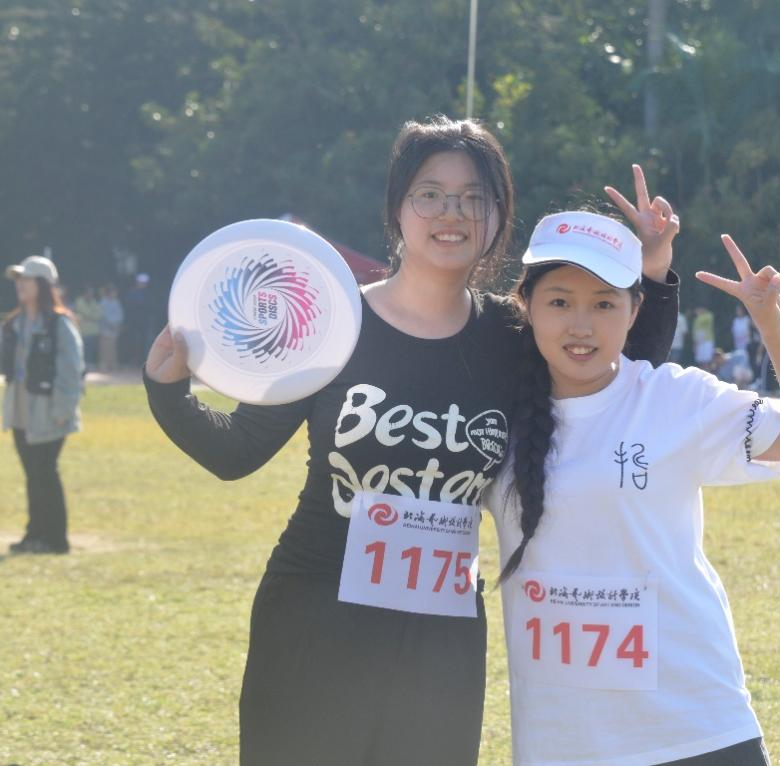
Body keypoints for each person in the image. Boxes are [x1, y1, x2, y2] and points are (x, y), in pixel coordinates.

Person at [142, 116, 680, 766]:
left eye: (473, 197)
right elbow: (235, 452)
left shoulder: (511, 340)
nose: (451, 213)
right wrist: (168, 390)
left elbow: (615, 368)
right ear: (397, 208)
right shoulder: (335, 323)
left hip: (440, 640)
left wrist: (653, 271)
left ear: (498, 216)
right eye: (430, 194)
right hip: (314, 620)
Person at [489, 211, 780, 766]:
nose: (581, 325)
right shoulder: (495, 417)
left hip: (693, 728)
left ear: (635, 311)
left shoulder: (677, 398)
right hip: (562, 740)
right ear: (526, 306)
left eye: (604, 304)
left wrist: (773, 326)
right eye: (559, 302)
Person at [2, 256, 84, 555]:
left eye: (27, 279)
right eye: (19, 280)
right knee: (33, 475)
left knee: (45, 473)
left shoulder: (59, 323)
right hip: (21, 413)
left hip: (49, 414)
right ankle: (34, 534)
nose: (20, 285)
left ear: (43, 285)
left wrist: (62, 411)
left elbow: (71, 371)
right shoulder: (15, 323)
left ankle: (55, 539)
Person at [73, 285, 101, 370]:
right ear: (85, 293)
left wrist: (89, 316)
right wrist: (92, 315)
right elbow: (85, 312)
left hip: (93, 331)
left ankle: (90, 364)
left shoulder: (94, 301)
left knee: (91, 350)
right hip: (82, 331)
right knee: (82, 349)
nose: (91, 294)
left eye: (92, 293)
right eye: (89, 293)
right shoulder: (79, 301)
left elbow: (99, 314)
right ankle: (82, 365)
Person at [98, 284, 123, 372]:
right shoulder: (103, 302)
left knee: (113, 347)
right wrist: (111, 324)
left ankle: (112, 364)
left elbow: (120, 314)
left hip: (115, 328)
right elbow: (103, 315)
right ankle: (103, 364)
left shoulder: (117, 302)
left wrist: (116, 324)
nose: (115, 294)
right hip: (105, 328)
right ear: (109, 293)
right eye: (113, 292)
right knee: (105, 347)